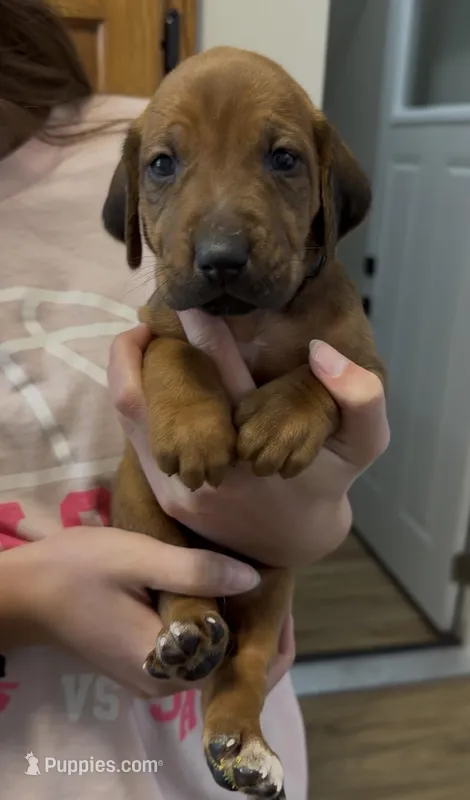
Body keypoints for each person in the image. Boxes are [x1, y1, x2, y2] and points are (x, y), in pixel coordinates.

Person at [0, 1, 390, 798]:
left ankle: (234, 704)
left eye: (281, 161)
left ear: (327, 192)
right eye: (166, 169)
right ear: (136, 218)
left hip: (194, 763)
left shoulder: (118, 128)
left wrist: (317, 475)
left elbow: (350, 378)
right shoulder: (146, 213)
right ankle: (188, 613)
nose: (218, 243)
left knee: (252, 616)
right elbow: (161, 353)